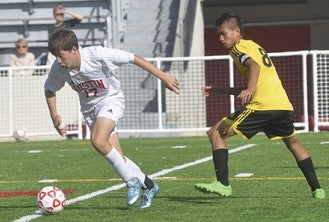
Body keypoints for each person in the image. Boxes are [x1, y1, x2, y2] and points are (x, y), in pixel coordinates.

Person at [195, 12, 326, 199]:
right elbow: (255, 80)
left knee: (215, 132)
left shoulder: (238, 48)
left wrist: (250, 89)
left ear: (237, 32)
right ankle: (317, 189)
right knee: (293, 142)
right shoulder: (254, 46)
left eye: (224, 33)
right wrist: (221, 90)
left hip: (261, 106)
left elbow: (254, 67)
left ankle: (223, 184)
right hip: (282, 106)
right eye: (219, 34)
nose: (221, 38)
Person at [44, 29, 180, 208]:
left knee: (98, 141)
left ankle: (131, 183)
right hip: (90, 110)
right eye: (55, 56)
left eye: (61, 56)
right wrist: (54, 114)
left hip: (111, 100)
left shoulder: (97, 55)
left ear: (74, 50)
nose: (58, 61)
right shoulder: (59, 68)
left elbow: (133, 57)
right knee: (117, 155)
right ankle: (150, 185)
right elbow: (50, 88)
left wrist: (163, 76)